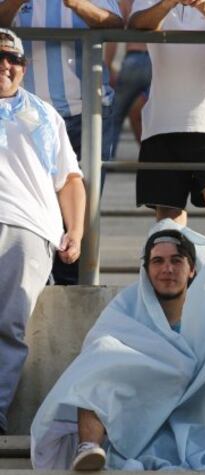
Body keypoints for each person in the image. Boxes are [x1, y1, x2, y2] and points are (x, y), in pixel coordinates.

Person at [31, 221, 205, 472]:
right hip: (140, 409)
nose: (167, 268)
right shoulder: (126, 309)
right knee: (99, 358)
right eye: (157, 261)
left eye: (177, 260)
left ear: (192, 270)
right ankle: (89, 446)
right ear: (146, 270)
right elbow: (103, 345)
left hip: (197, 409)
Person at [0, 0, 124, 285]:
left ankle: (68, 290)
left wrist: (76, 4)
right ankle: (34, 284)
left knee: (79, 213)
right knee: (28, 205)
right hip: (25, 116)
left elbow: (117, 25)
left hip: (87, 112)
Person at [0, 29, 86, 435]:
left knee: (8, 325)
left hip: (28, 229)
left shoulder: (45, 114)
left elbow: (69, 179)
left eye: (13, 59)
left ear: (24, 66)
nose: (5, 65)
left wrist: (77, 231)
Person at [127, 0, 205, 252]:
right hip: (163, 120)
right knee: (168, 213)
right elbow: (137, 23)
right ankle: (174, 285)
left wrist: (203, 6)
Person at [105, 0, 152, 154]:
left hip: (134, 59)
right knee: (154, 113)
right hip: (157, 62)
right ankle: (153, 158)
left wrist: (109, 65)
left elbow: (114, 33)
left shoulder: (128, 2)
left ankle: (107, 158)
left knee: (116, 114)